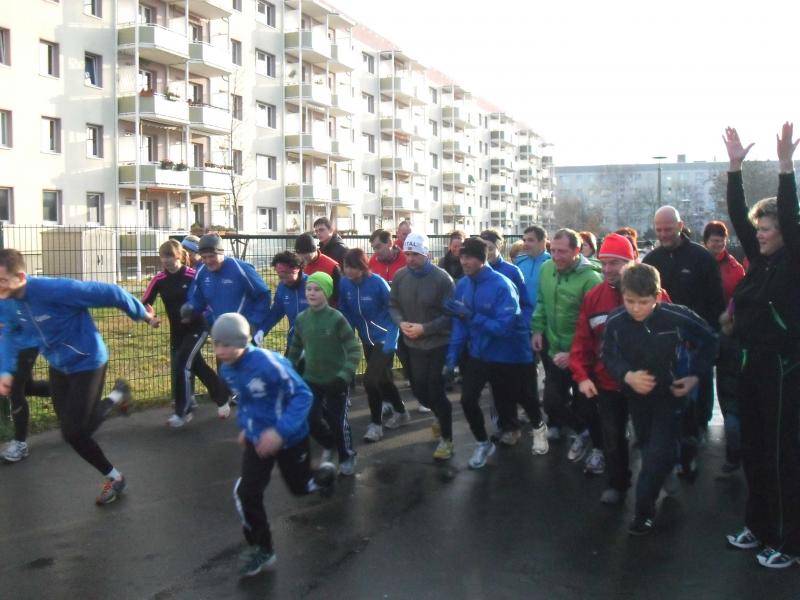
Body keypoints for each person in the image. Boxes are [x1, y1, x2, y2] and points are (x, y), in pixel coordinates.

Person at [0, 249, 158, 505]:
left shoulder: (54, 290)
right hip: (59, 365)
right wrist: (5, 371)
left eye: (2, 280)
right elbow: (9, 332)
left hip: (88, 360)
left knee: (75, 432)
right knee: (71, 431)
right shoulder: (7, 301)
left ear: (21, 277)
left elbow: (112, 293)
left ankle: (115, 477)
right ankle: (117, 397)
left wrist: (141, 314)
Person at [722, 124, 800, 568]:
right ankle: (759, 525)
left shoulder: (793, 262)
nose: (761, 234)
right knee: (753, 453)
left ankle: (788, 542)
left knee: (781, 456)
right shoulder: (760, 261)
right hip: (751, 365)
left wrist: (786, 168)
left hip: (784, 371)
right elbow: (738, 217)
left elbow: (791, 215)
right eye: (760, 229)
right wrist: (735, 169)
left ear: (785, 230)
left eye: (768, 228)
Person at [213, 313, 336, 578]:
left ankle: (324, 476)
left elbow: (303, 395)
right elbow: (247, 401)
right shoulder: (227, 370)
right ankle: (262, 548)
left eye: (226, 345)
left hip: (290, 438)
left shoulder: (269, 364)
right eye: (216, 344)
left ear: (242, 342)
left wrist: (279, 433)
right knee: (247, 493)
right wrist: (247, 428)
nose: (220, 351)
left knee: (300, 488)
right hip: (258, 440)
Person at [603, 263, 717, 535]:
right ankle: (674, 459)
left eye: (643, 302)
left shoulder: (677, 317)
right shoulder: (616, 321)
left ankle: (643, 511)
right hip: (637, 397)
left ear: (657, 296)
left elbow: (710, 340)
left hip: (670, 395)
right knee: (647, 444)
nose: (636, 308)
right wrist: (627, 375)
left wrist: (695, 376)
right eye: (630, 301)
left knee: (655, 455)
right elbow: (608, 355)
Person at [569, 234, 670, 498]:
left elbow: (675, 335)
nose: (607, 269)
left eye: (614, 262)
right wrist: (582, 376)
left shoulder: (654, 293)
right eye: (603, 263)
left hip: (647, 382)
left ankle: (657, 481)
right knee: (612, 438)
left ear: (630, 262)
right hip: (609, 382)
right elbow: (582, 342)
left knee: (650, 438)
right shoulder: (594, 297)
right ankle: (617, 484)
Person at [643, 205, 725, 473]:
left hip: (694, 339)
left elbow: (716, 301)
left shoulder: (701, 258)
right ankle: (673, 441)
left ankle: (696, 433)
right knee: (668, 392)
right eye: (658, 230)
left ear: (680, 226)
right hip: (663, 341)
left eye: (668, 229)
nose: (663, 234)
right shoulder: (651, 259)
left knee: (696, 390)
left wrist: (708, 336)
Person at [445, 237, 535, 469]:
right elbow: (459, 326)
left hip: (504, 355)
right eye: (462, 257)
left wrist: (471, 316)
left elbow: (503, 327)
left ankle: (533, 429)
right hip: (478, 354)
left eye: (469, 257)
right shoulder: (463, 285)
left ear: (481, 259)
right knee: (467, 399)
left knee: (512, 399)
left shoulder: (502, 285)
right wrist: (451, 359)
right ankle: (482, 443)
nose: (464, 262)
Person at [183, 234, 272, 418]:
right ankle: (236, 403)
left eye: (212, 256)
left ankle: (262, 409)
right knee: (226, 371)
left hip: (243, 330)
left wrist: (254, 322)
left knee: (248, 371)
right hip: (221, 330)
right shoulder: (202, 272)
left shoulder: (240, 268)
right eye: (204, 257)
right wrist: (190, 308)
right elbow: (197, 298)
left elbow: (263, 294)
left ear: (222, 252)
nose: (208, 261)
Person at [532, 228, 602, 461]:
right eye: (553, 250)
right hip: (554, 348)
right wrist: (538, 329)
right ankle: (583, 432)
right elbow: (541, 301)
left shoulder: (591, 280)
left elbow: (596, 327)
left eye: (562, 252)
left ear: (577, 250)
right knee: (552, 403)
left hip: (582, 355)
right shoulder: (546, 269)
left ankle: (596, 442)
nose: (556, 256)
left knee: (585, 405)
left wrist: (573, 354)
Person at [142, 240, 228, 428]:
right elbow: (145, 303)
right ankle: (222, 397)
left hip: (198, 327)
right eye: (163, 257)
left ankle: (183, 411)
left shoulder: (193, 275)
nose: (166, 261)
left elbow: (207, 299)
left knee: (182, 364)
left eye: (170, 256)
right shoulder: (159, 279)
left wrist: (196, 314)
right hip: (177, 332)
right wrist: (151, 318)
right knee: (198, 366)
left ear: (179, 256)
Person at [389, 232, 456, 460]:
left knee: (435, 389)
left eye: (415, 254)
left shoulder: (442, 279)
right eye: (407, 254)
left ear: (426, 254)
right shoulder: (400, 276)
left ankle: (447, 439)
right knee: (419, 391)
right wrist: (401, 323)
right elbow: (393, 304)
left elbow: (451, 315)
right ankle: (438, 415)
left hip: (438, 343)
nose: (410, 259)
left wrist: (425, 329)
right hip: (413, 343)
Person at [287, 272, 361, 475]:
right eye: (309, 289)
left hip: (336, 380)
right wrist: (289, 372)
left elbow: (354, 350)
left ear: (327, 293)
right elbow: (295, 348)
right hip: (311, 379)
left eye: (317, 289)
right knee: (309, 418)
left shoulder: (336, 318)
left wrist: (344, 376)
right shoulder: (302, 319)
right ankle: (329, 444)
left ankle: (347, 456)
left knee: (337, 421)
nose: (311, 293)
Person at [480, 229, 546, 451]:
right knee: (498, 387)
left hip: (515, 338)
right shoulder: (476, 272)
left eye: (490, 248)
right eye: (483, 248)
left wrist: (523, 327)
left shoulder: (512, 270)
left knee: (522, 387)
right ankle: (508, 426)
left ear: (499, 247)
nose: (487, 253)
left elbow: (525, 304)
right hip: (491, 338)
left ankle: (538, 424)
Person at [339, 248, 406, 442]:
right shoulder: (344, 283)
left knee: (370, 381)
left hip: (384, 338)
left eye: (353, 267)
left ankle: (376, 425)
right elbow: (345, 310)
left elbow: (394, 309)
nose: (348, 271)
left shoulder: (377, 283)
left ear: (362, 267)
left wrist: (392, 339)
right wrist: (347, 335)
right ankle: (401, 412)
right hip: (366, 338)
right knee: (383, 380)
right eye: (346, 267)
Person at [703, 220, 746, 474]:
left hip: (730, 331)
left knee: (729, 389)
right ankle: (703, 419)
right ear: (706, 241)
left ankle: (734, 452)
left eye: (721, 240)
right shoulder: (700, 262)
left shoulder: (734, 267)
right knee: (705, 377)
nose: (717, 244)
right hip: (709, 327)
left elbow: (739, 297)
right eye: (713, 240)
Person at [0, 300, 50, 463]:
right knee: (28, 388)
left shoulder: (7, 295)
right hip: (9, 347)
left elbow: (20, 320)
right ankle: (67, 390)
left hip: (24, 345)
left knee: (15, 389)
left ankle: (20, 444)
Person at [261, 251, 309, 353]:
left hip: (314, 345)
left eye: (286, 275)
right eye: (280, 277)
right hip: (294, 343)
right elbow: (275, 313)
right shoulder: (282, 288)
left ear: (296, 269)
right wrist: (261, 331)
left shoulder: (312, 286)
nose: (283, 281)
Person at [295, 232, 342, 306]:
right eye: (300, 255)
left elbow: (338, 296)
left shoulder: (332, 267)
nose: (303, 259)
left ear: (315, 250)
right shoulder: (297, 265)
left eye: (306, 256)